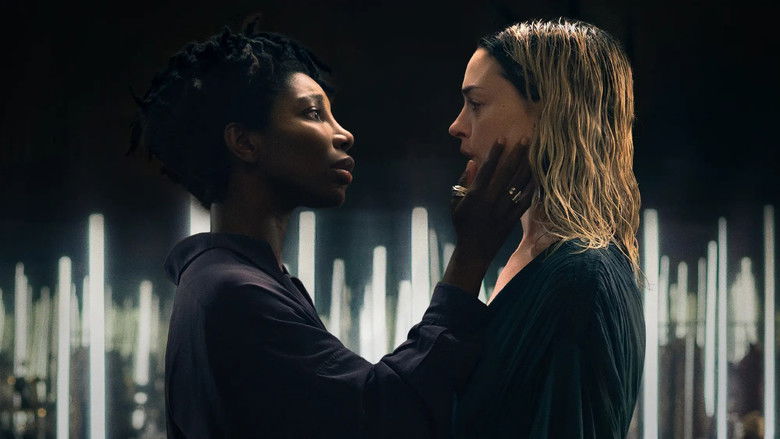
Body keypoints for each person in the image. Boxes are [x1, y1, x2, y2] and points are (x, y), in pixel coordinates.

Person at [129, 26, 534, 438]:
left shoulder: (231, 284)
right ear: (245, 143)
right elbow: (388, 416)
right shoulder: (232, 294)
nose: (344, 134)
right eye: (312, 113)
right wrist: (471, 254)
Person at [448, 19, 646, 438]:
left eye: (476, 104)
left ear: (549, 112)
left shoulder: (582, 279)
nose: (457, 126)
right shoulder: (541, 261)